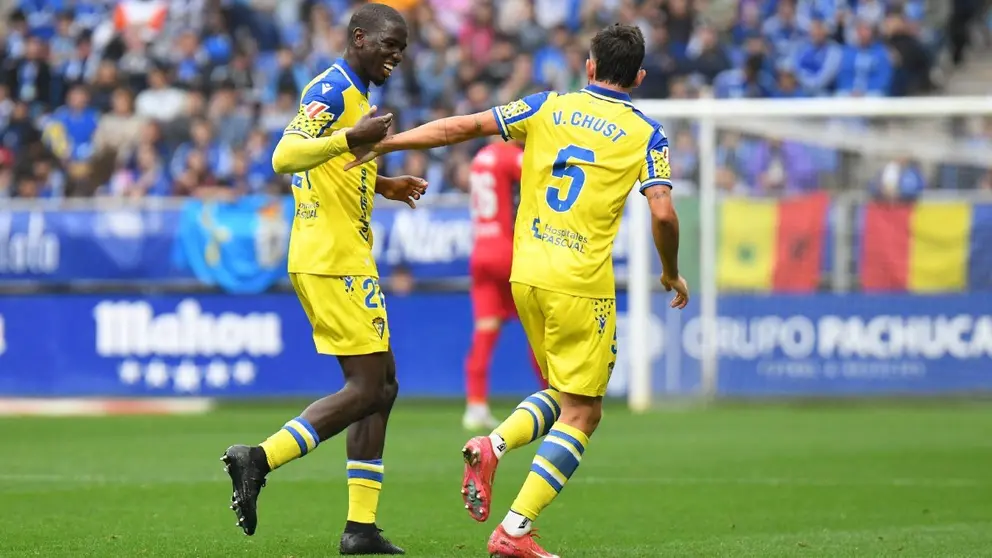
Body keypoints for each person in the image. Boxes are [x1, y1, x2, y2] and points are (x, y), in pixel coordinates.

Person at [346, 23, 689, 558]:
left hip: (525, 272)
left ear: (590, 67)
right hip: (580, 282)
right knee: (585, 412)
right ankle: (515, 531)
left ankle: (493, 443)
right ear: (640, 77)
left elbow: (458, 128)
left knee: (561, 391)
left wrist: (386, 142)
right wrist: (669, 270)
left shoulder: (546, 105)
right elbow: (663, 212)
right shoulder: (647, 133)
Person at [220, 4, 426, 555]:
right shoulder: (333, 89)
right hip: (331, 258)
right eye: (388, 43)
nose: (396, 55)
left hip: (346, 255)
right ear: (358, 38)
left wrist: (382, 184)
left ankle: (361, 528)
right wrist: (349, 137)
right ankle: (258, 459)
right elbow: (285, 155)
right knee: (367, 388)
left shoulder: (358, 97)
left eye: (402, 48)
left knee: (383, 387)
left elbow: (333, 164)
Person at [463, 136, 548, 431]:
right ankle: (555, 395)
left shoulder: (479, 158)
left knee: (485, 331)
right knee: (537, 327)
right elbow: (539, 179)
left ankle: (475, 406)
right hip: (508, 251)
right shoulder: (510, 156)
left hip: (481, 249)